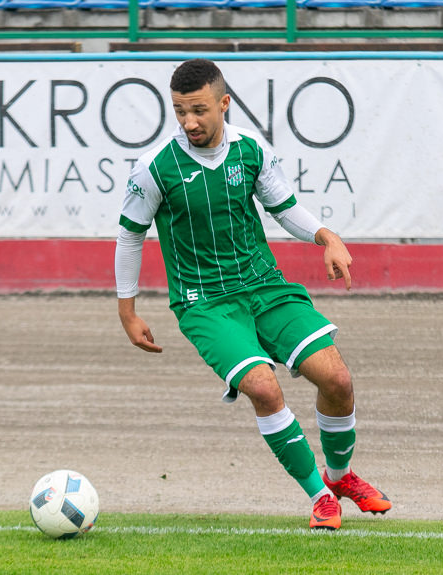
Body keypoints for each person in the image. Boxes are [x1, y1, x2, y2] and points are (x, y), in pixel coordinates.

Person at [114, 58, 391, 529]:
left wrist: (327, 236)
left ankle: (341, 476)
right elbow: (130, 235)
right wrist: (128, 312)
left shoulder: (250, 150)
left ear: (224, 104)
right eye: (179, 111)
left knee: (338, 381)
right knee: (262, 386)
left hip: (264, 286)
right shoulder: (154, 168)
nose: (189, 122)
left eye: (199, 110)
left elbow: (285, 208)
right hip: (205, 303)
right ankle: (320, 495)